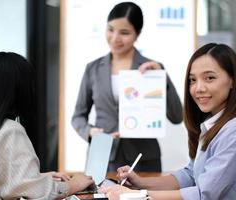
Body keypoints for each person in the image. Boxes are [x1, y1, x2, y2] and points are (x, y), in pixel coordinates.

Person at [99, 43, 236, 200]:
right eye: (193, 80)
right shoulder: (212, 122)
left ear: (233, 80)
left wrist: (137, 195)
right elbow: (190, 175)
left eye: (209, 78)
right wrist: (140, 182)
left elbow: (205, 193)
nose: (198, 88)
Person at [72, 2, 183, 172]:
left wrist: (162, 77)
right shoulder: (93, 69)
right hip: (102, 157)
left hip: (143, 159)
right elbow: (78, 117)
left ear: (137, 34)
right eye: (110, 29)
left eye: (124, 33)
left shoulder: (152, 68)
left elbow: (177, 116)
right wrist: (90, 132)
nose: (115, 38)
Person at [0, 52, 94, 199]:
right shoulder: (10, 130)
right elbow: (27, 191)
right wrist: (74, 184)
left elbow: (7, 180)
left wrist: (37, 178)